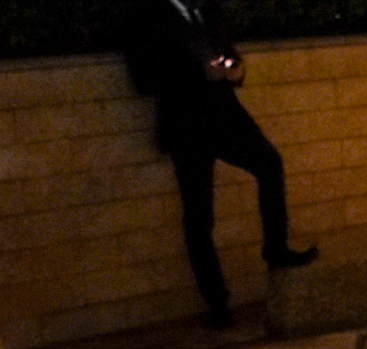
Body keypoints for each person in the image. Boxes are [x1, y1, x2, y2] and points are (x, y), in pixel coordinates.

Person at [124, 0, 316, 330]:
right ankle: (217, 302)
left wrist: (235, 69)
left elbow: (227, 52)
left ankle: (276, 249)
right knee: (199, 215)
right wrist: (197, 73)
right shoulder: (148, 15)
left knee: (270, 164)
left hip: (226, 115)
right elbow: (143, 75)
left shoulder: (207, 10)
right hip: (186, 124)